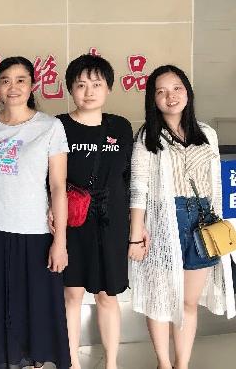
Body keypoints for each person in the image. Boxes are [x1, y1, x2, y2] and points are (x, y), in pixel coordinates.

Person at [129, 65, 235, 369]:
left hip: (202, 222)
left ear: (187, 91)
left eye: (176, 88)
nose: (170, 96)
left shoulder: (207, 133)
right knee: (162, 300)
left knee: (189, 302)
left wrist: (221, 221)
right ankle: (164, 363)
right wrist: (136, 233)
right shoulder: (148, 136)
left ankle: (182, 364)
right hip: (165, 220)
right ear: (153, 99)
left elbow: (215, 185)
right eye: (161, 91)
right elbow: (139, 186)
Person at [0, 56, 70, 369]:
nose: (12, 87)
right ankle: (3, 360)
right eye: (5, 81)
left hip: (35, 231)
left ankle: (35, 361)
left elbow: (58, 186)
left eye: (20, 80)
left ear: (32, 85)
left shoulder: (50, 127)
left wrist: (60, 242)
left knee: (35, 305)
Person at [56, 55, 133, 369]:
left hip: (110, 221)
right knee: (72, 294)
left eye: (97, 84)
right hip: (72, 220)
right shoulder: (59, 126)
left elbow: (129, 178)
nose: (89, 92)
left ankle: (111, 363)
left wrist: (137, 227)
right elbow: (49, 179)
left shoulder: (121, 127)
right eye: (81, 85)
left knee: (107, 295)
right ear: (70, 89)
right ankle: (72, 362)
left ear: (108, 88)